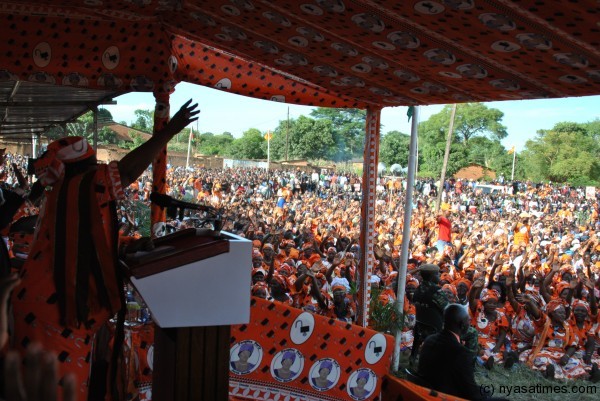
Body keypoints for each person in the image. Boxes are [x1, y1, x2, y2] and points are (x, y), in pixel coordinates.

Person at [10, 100, 199, 399]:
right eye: (91, 165)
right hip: (54, 309)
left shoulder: (63, 193)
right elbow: (127, 171)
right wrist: (168, 131)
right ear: (81, 170)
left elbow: (83, 239)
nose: (98, 170)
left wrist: (124, 247)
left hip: (41, 304)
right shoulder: (78, 186)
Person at [418, 304, 508, 401]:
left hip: (426, 392)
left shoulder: (429, 340)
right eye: (468, 321)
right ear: (462, 325)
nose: (469, 324)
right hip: (447, 396)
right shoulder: (461, 353)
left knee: (484, 391)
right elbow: (472, 394)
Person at [410, 263, 449, 364]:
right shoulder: (436, 291)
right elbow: (447, 308)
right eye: (437, 274)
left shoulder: (418, 289)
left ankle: (413, 358)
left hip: (420, 325)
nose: (439, 276)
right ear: (432, 277)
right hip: (436, 327)